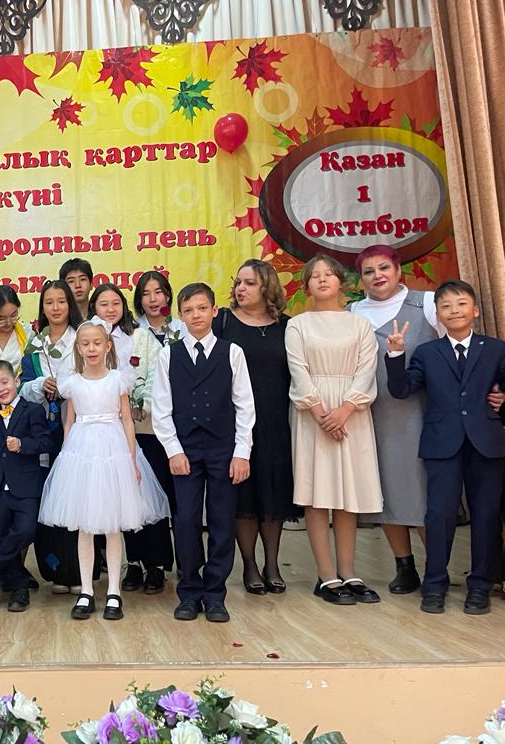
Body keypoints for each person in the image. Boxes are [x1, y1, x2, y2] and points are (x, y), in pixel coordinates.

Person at [349, 245, 505, 594]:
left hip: (424, 411)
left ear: (398, 270)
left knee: (426, 493)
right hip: (370, 411)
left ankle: (437, 568)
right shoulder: (352, 312)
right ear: (361, 280)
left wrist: (491, 389)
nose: (377, 276)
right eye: (369, 271)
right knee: (386, 489)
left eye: (384, 267)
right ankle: (404, 566)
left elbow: (462, 353)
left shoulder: (429, 303)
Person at [385, 279, 505, 615]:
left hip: (486, 444)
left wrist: (503, 390)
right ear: (438, 315)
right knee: (439, 515)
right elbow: (401, 390)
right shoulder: (427, 352)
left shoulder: (496, 348)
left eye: (461, 304)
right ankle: (434, 585)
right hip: (442, 444)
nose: (454, 310)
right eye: (446, 306)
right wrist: (396, 354)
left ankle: (480, 587)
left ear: (475, 310)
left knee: (486, 516)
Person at [39, 317, 168, 621]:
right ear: (78, 348)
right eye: (85, 344)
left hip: (114, 452)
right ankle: (86, 591)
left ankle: (114, 592)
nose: (92, 348)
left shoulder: (118, 380)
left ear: (108, 345)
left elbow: (127, 421)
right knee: (84, 526)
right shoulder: (72, 383)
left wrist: (132, 461)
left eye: (97, 343)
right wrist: (67, 460)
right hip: (82, 453)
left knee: (112, 526)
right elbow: (69, 422)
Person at [152, 283, 256, 623]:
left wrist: (242, 453)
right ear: (180, 316)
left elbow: (245, 406)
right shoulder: (169, 354)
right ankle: (189, 591)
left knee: (222, 520)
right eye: (188, 310)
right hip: (185, 449)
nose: (195, 315)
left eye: (201, 308)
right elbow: (161, 408)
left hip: (224, 449)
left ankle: (215, 594)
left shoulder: (232, 352)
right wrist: (173, 450)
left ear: (214, 311)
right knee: (185, 521)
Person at [285, 254, 383, 606]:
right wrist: (321, 412)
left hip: (351, 414)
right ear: (306, 285)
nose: (323, 279)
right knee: (317, 493)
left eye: (329, 274)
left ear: (341, 281)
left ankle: (349, 571)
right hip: (312, 415)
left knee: (347, 494)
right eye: (315, 276)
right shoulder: (297, 326)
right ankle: (326, 576)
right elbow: (298, 371)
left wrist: (345, 409)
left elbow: (367, 369)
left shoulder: (360, 325)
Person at [213, 260, 299, 595]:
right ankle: (249, 565)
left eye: (249, 283)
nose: (241, 289)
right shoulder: (223, 322)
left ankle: (272, 564)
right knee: (245, 496)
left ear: (267, 287)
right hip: (235, 423)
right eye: (238, 282)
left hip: (276, 421)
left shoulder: (286, 326)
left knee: (272, 493)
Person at [90, 283, 172, 594]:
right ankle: (133, 563)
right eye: (103, 304)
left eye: (116, 303)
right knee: (121, 500)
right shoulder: (89, 339)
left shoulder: (139, 336)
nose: (110, 309)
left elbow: (153, 376)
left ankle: (157, 565)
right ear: (93, 308)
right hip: (105, 433)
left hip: (141, 428)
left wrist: (142, 403)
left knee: (148, 497)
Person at [19, 281, 82, 593]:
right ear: (42, 308)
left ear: (70, 304)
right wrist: (41, 384)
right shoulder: (35, 343)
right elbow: (22, 386)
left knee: (77, 498)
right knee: (50, 498)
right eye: (49, 302)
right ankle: (55, 570)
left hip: (78, 427)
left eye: (61, 301)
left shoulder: (81, 338)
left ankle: (79, 572)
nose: (55, 308)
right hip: (42, 431)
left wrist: (66, 386)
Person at [0, 360, 53, 612]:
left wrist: (22, 445)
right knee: (2, 534)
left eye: (4, 382)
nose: (1, 389)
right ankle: (18, 589)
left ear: (16, 381)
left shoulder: (33, 410)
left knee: (26, 530)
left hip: (27, 486)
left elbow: (46, 443)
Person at [134, 270, 186, 346]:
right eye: (146, 294)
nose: (152, 299)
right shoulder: (132, 330)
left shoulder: (182, 328)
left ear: (167, 296)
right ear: (139, 299)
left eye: (158, 292)